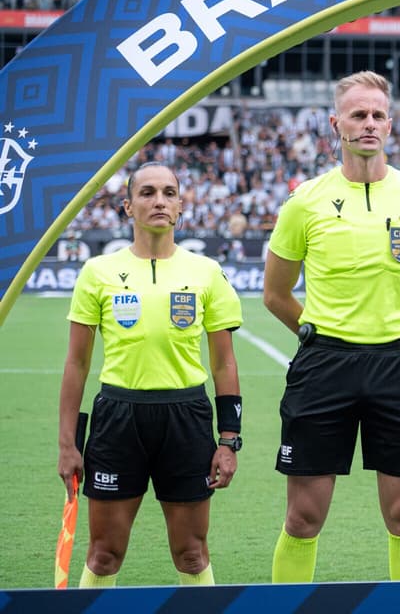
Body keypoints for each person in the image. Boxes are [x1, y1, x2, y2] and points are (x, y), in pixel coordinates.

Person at [263, 71, 400, 583]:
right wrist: (318, 336)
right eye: (358, 115)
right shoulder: (305, 200)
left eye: (377, 115)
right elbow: (276, 294)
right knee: (303, 518)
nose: (369, 123)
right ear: (337, 124)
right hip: (323, 366)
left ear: (390, 125)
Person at [58, 162, 242, 587]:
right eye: (147, 193)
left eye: (168, 193)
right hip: (118, 416)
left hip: (186, 416)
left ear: (180, 206)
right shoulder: (97, 272)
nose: (159, 201)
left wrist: (229, 440)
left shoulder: (206, 272)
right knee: (104, 554)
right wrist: (68, 443)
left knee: (192, 553)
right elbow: (77, 363)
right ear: (128, 206)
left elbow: (224, 364)